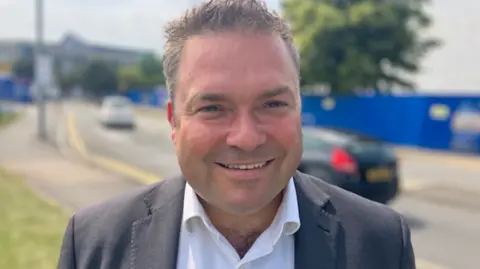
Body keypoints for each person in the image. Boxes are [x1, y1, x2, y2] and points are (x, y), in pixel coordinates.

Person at [57, 0, 416, 268]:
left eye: (272, 104)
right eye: (212, 108)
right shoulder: (94, 244)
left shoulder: (382, 243)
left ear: (300, 109)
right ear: (174, 121)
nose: (246, 138)